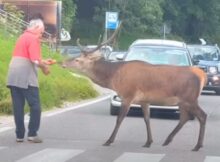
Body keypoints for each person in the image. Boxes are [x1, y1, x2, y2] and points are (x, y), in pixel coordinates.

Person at [7, 18, 52, 143]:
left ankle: (19, 135)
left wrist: (43, 61)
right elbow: (35, 60)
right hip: (25, 75)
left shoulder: (22, 37)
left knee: (18, 106)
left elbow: (31, 57)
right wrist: (44, 67)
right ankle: (32, 133)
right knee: (35, 106)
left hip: (13, 74)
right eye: (42, 32)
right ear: (36, 28)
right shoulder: (33, 38)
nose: (41, 34)